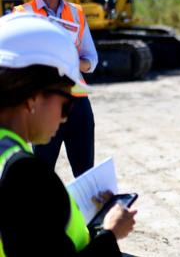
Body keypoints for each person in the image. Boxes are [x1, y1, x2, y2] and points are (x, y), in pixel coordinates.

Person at [0, 13, 137, 256]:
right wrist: (111, 233)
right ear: (33, 97)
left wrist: (64, 206)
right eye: (66, 102)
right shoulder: (25, 173)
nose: (65, 117)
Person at [11, 0, 98, 177]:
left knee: (85, 174)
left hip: (78, 103)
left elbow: (92, 59)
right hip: (41, 104)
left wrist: (71, 61)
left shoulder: (77, 12)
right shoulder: (21, 14)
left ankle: (87, 214)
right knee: (41, 174)